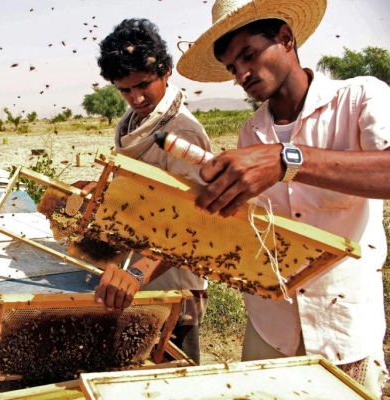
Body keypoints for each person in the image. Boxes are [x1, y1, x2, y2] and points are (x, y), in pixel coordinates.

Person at [172, 0, 390, 395]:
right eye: (232, 68)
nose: (242, 75)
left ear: (286, 38)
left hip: (343, 328)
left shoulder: (359, 99)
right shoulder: (249, 133)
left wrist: (286, 159)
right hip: (270, 328)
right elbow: (255, 224)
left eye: (248, 55)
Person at [78, 18, 213, 364]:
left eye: (143, 85)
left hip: (173, 282)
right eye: (124, 89)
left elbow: (190, 223)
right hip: (135, 273)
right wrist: (102, 192)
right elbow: (142, 193)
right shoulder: (131, 124)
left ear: (166, 71)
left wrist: (136, 273)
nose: (135, 97)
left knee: (174, 376)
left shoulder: (183, 132)